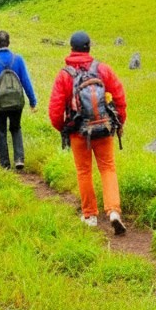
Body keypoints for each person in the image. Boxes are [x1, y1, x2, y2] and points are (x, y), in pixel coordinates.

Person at [48, 30, 128, 234]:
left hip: (78, 131)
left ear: (71, 49)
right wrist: (119, 122)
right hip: (103, 128)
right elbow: (119, 96)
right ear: (89, 47)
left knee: (84, 171)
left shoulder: (64, 75)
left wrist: (64, 129)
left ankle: (90, 215)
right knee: (108, 168)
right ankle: (113, 212)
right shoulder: (102, 69)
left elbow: (55, 110)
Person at [0, 30, 37, 170]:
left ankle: (5, 163)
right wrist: (32, 100)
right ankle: (19, 159)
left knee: (0, 131)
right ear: (9, 42)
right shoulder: (17, 59)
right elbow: (26, 81)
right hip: (17, 102)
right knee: (16, 128)